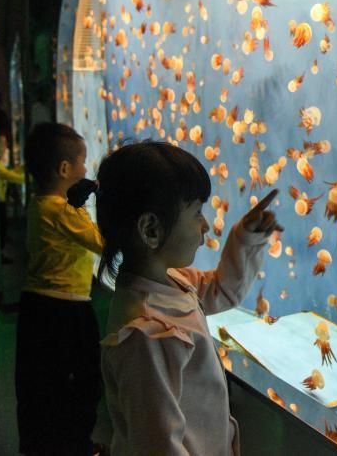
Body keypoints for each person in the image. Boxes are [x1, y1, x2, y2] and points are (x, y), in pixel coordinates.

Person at [96, 142, 280, 455]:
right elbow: (158, 447)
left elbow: (222, 291)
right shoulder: (145, 334)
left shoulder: (172, 282)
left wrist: (244, 238)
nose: (206, 225)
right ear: (151, 230)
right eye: (196, 213)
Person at [15, 122, 105, 456]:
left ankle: (51, 445)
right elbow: (101, 243)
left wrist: (77, 203)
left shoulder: (41, 204)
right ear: (65, 168)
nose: (85, 169)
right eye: (82, 162)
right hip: (65, 311)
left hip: (37, 307)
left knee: (40, 385)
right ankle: (75, 446)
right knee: (80, 383)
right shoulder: (61, 212)